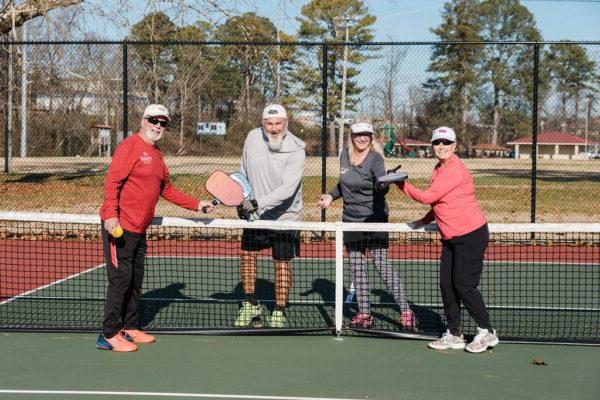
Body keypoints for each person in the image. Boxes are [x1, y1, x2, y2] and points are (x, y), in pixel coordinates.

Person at [97, 104, 214, 352]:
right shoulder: (129, 147)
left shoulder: (158, 155)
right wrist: (110, 215)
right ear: (143, 120)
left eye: (163, 123)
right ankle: (108, 334)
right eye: (154, 120)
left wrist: (197, 205)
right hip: (120, 226)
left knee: (135, 280)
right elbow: (112, 182)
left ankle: (130, 327)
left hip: (139, 229)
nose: (158, 126)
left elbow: (166, 189)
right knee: (120, 280)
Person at [397, 126, 499, 353]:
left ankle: (487, 331)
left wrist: (400, 183)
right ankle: (454, 333)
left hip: (470, 234)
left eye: (446, 142)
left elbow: (427, 197)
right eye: (437, 143)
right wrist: (424, 221)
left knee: (464, 285)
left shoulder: (455, 169)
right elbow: (440, 202)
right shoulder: (439, 168)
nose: (441, 146)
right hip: (450, 236)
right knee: (447, 285)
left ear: (454, 146)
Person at [318, 122, 417, 330]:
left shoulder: (375, 158)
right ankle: (364, 314)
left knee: (381, 265)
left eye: (366, 135)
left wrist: (385, 183)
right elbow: (343, 183)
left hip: (374, 220)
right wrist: (330, 196)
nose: (362, 138)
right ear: (351, 136)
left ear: (371, 137)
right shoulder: (344, 155)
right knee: (357, 267)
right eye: (358, 134)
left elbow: (380, 186)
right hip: (351, 221)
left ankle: (407, 312)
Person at [234, 104, 306, 328]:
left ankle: (279, 309)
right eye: (269, 124)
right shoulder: (252, 137)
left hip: (286, 217)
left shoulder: (297, 148)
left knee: (282, 263)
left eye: (278, 124)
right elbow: (243, 169)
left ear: (286, 123)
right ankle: (250, 304)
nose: (274, 128)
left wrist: (256, 203)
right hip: (255, 217)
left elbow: (287, 190)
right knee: (247, 256)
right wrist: (242, 195)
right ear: (262, 123)